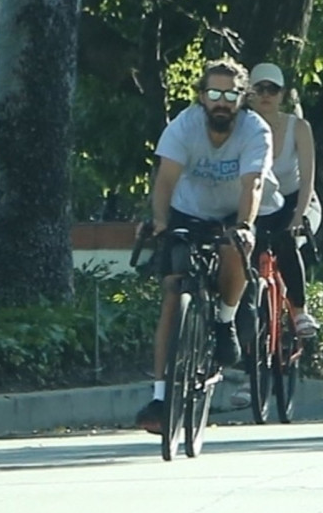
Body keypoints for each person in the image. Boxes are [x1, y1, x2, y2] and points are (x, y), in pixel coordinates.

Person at [134, 57, 285, 433]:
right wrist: (161, 221)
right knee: (173, 290)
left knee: (233, 248)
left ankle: (224, 321)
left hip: (234, 212)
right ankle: (159, 395)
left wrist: (245, 226)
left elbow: (252, 183)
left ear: (242, 98)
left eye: (230, 95)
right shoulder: (183, 126)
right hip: (188, 212)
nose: (222, 102)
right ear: (202, 96)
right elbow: (165, 179)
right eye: (214, 93)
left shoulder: (256, 131)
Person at [247, 62, 320, 337]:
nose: (266, 94)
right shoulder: (241, 126)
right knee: (241, 247)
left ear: (282, 94)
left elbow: (308, 180)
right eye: (259, 88)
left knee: (286, 240)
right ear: (249, 93)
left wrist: (299, 216)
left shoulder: (298, 128)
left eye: (273, 89)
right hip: (256, 201)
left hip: (295, 199)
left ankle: (299, 312)